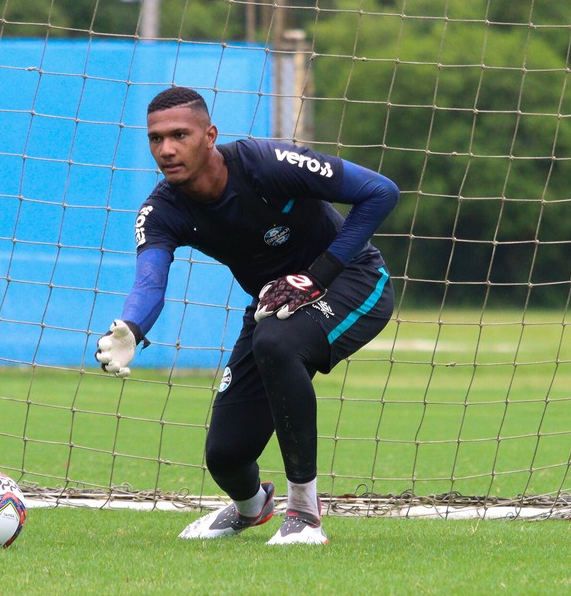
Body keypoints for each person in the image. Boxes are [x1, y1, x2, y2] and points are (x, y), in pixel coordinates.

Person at [95, 86, 398, 545]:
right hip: (276, 305)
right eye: (156, 139)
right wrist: (132, 328)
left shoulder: (266, 163)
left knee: (276, 342)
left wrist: (318, 275)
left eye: (180, 134)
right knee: (226, 457)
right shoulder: (161, 211)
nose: (167, 149)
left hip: (353, 281)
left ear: (210, 134)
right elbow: (149, 282)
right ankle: (252, 508)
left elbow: (380, 192)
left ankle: (304, 513)